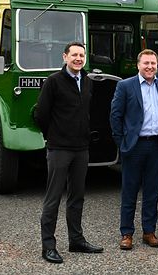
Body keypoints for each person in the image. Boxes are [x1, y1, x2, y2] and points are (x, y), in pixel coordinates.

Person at [33, 41, 104, 264]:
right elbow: (40, 115)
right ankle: (48, 246)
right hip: (59, 148)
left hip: (81, 149)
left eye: (81, 55)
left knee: (77, 197)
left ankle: (76, 240)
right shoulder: (53, 82)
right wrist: (53, 136)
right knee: (53, 198)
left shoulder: (88, 81)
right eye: (73, 55)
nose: (78, 59)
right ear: (65, 57)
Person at [110, 49, 158, 250]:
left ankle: (149, 232)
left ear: (157, 66)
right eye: (146, 63)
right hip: (134, 146)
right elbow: (115, 116)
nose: (149, 67)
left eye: (153, 63)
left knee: (152, 192)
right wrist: (122, 143)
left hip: (157, 146)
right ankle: (126, 233)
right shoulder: (125, 86)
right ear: (138, 65)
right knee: (129, 191)